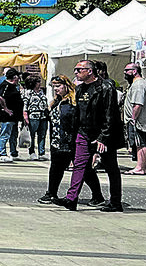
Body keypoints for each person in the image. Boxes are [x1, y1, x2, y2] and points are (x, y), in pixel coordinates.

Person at [61, 59, 123, 211]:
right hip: (84, 133)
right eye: (75, 69)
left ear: (90, 71)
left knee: (111, 168)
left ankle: (115, 202)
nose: (76, 72)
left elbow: (110, 115)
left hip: (102, 134)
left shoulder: (106, 88)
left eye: (79, 69)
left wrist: (104, 137)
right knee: (79, 165)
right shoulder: (80, 89)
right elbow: (78, 113)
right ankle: (71, 198)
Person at [38, 75, 100, 206]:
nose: (56, 89)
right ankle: (51, 193)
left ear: (67, 86)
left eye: (58, 86)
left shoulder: (74, 103)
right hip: (57, 141)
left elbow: (78, 122)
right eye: (54, 86)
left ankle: (97, 195)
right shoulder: (56, 102)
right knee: (55, 168)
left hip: (72, 141)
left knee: (86, 170)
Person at [124, 63, 146, 175]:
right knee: (140, 142)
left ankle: (140, 167)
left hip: (138, 120)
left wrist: (133, 118)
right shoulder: (138, 84)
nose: (125, 73)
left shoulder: (138, 85)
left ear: (135, 71)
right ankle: (142, 167)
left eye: (127, 70)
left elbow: (138, 104)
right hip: (138, 120)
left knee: (140, 143)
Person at [0, 70, 23, 162]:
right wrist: (6, 109)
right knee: (5, 134)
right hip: (7, 115)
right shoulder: (5, 85)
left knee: (14, 134)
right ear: (14, 77)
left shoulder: (15, 86)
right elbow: (0, 97)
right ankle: (2, 153)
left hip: (15, 115)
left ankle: (13, 152)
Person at [20, 73, 49, 162]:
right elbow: (25, 104)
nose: (39, 83)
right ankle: (31, 152)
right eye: (37, 82)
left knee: (42, 135)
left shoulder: (41, 92)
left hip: (43, 116)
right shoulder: (28, 92)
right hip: (33, 116)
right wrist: (25, 116)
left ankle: (41, 152)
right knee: (31, 136)